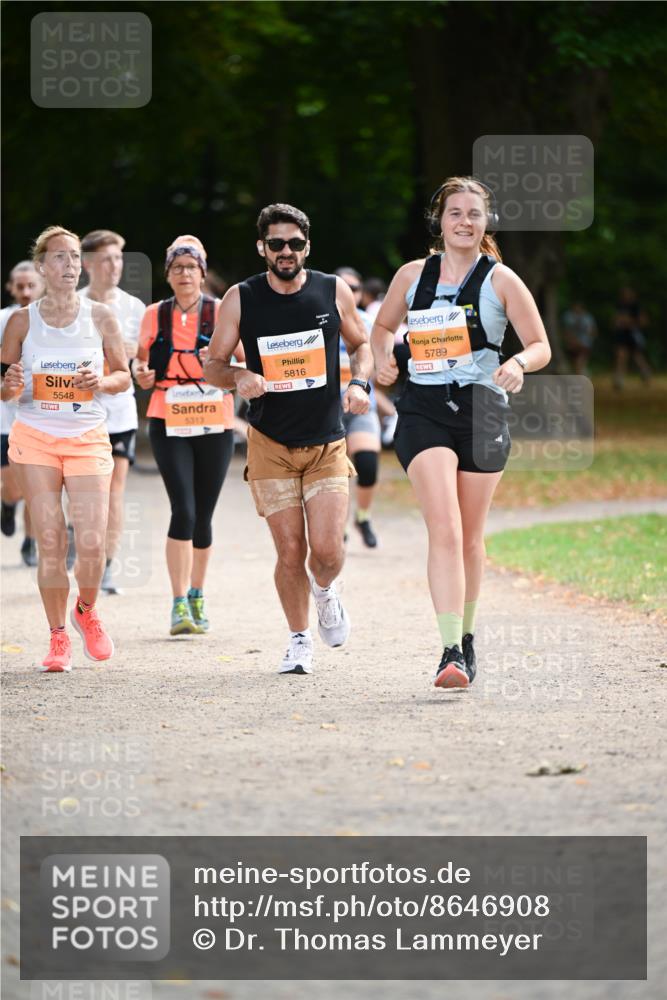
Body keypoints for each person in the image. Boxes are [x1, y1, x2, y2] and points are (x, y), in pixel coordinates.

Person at [371, 176, 551, 690]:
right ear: (440, 220)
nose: (465, 221)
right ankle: (449, 649)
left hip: (482, 410)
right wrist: (383, 358)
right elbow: (383, 329)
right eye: (456, 212)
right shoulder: (412, 275)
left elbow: (540, 345)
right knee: (445, 528)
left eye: (475, 213)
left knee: (471, 536)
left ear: (485, 221)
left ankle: (468, 638)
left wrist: (517, 362)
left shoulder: (502, 280)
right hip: (424, 408)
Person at [204, 203, 373, 675]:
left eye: (294, 244)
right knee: (290, 552)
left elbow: (362, 346)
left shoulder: (332, 289)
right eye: (276, 243)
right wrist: (238, 376)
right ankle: (299, 639)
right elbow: (211, 365)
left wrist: (360, 383)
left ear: (307, 247)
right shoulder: (241, 297)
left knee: (328, 550)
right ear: (262, 247)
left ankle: (326, 590)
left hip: (326, 441)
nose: (285, 251)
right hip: (270, 442)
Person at [1, 225, 130, 672]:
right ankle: (57, 637)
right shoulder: (21, 321)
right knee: (52, 539)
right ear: (41, 266)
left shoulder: (101, 317)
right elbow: (3, 387)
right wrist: (10, 385)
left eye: (74, 257)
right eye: (59, 257)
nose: (69, 265)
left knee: (91, 542)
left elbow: (123, 377)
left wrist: (103, 381)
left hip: (88, 437)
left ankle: (86, 610)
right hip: (34, 436)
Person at [133, 236, 242, 636]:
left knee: (204, 515)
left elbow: (244, 362)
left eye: (190, 267)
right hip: (167, 416)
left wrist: (222, 365)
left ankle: (198, 593)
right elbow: (140, 361)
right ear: (167, 274)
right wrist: (140, 373)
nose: (184, 274)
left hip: (214, 417)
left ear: (202, 271)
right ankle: (178, 602)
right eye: (176, 267)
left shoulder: (221, 310)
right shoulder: (154, 315)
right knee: (184, 508)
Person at [80, 229, 146, 594]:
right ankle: (82, 545)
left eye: (119, 258)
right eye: (107, 258)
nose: (115, 265)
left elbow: (138, 361)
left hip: (118, 413)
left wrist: (136, 364)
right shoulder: (70, 305)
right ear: (88, 263)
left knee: (113, 491)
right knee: (83, 493)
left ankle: (105, 567)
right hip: (76, 413)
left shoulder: (134, 308)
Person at [335, 267, 383, 548]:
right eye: (343, 287)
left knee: (367, 464)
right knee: (337, 472)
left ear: (361, 293)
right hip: (329, 408)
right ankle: (336, 526)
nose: (349, 293)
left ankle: (363, 517)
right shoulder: (320, 320)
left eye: (354, 288)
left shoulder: (369, 322)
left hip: (362, 405)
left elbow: (381, 360)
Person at [1, 261, 44, 563]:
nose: (26, 292)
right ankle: (7, 502)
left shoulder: (54, 321)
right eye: (20, 286)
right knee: (14, 488)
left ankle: (30, 542)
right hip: (5, 419)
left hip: (39, 417)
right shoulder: (3, 319)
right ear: (11, 288)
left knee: (35, 487)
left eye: (32, 286)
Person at [612, 286, 651, 389]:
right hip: (622, 334)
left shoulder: (636, 306)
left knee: (636, 355)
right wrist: (618, 323)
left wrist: (630, 322)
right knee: (621, 355)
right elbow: (616, 319)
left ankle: (645, 372)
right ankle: (619, 379)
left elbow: (643, 321)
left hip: (632, 333)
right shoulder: (620, 305)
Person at [561, 300, 596, 375]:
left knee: (578, 363)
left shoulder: (588, 318)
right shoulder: (568, 316)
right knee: (575, 365)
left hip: (583, 345)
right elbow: (566, 332)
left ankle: (581, 374)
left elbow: (592, 332)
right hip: (572, 344)